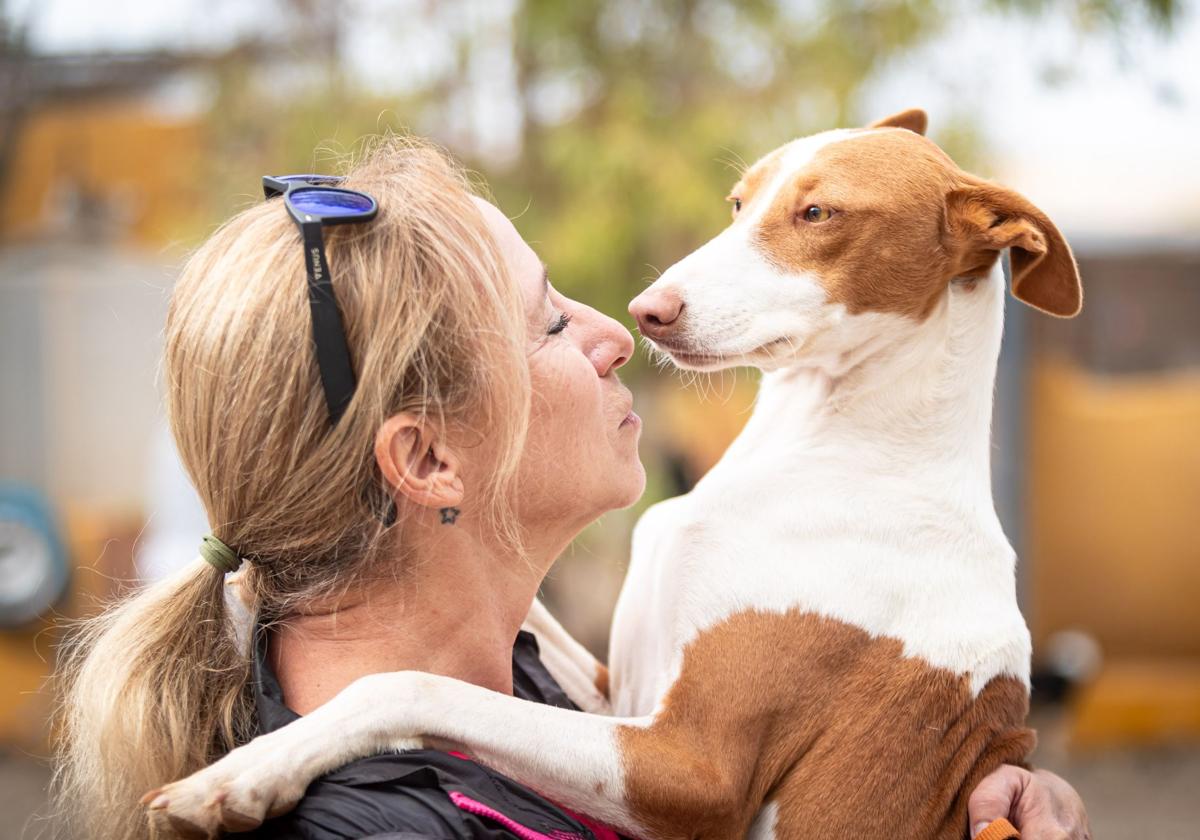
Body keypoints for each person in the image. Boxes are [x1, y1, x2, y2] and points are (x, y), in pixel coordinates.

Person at [51, 138, 1091, 840]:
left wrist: (960, 779)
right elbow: (696, 782)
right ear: (424, 461)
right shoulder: (388, 823)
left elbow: (659, 736)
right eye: (549, 321)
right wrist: (395, 708)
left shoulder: (522, 684)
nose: (615, 326)